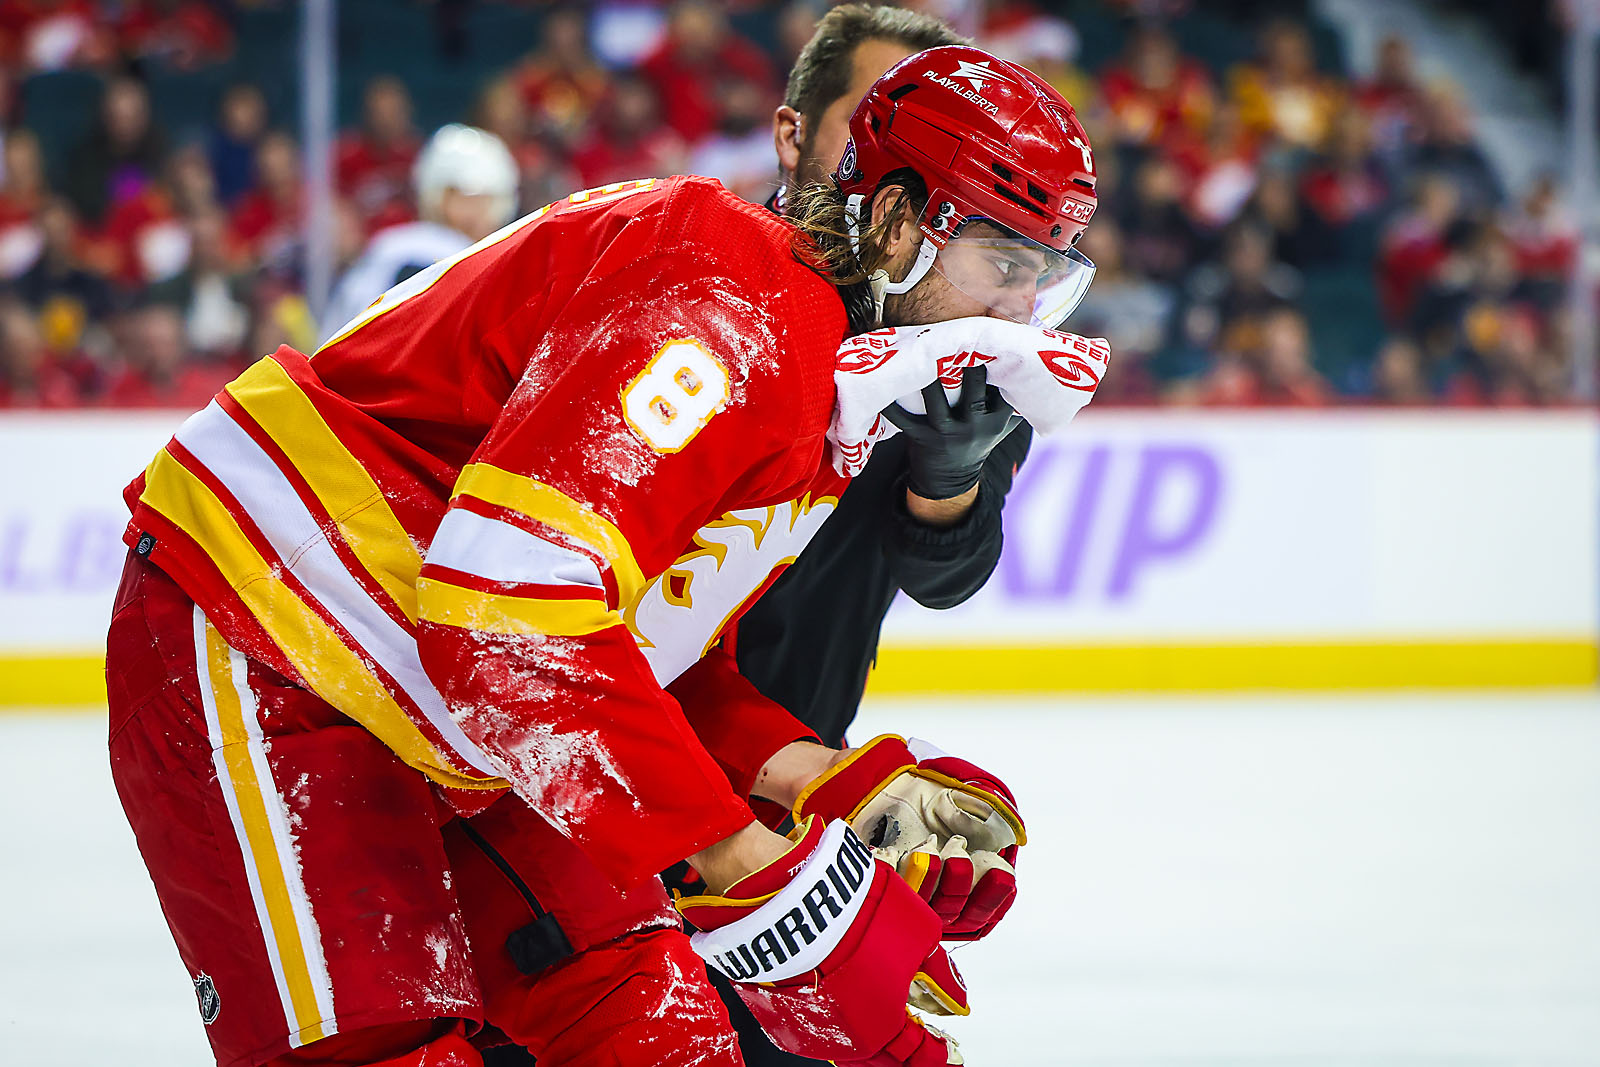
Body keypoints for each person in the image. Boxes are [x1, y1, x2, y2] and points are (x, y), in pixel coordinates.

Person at [107, 44, 1099, 1067]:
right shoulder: (731, 304)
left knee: (655, 1032)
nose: (1020, 311)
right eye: (1006, 263)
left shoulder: (824, 370)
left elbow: (636, 646)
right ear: (896, 223)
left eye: (1047, 275)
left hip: (454, 697)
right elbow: (509, 608)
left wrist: (833, 782)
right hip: (272, 631)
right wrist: (745, 858)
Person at [321, 124, 519, 342]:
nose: (486, 211)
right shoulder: (439, 256)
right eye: (480, 199)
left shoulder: (389, 246)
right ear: (447, 199)